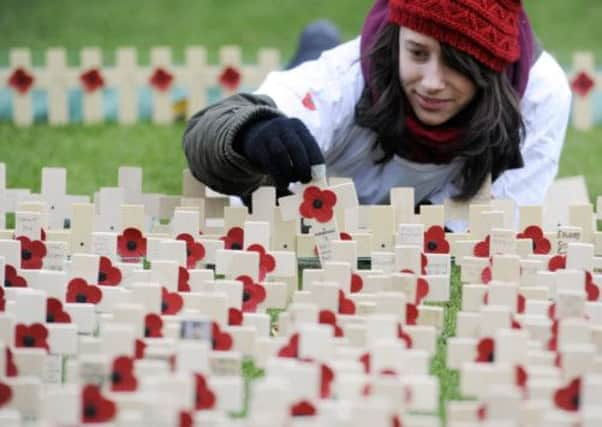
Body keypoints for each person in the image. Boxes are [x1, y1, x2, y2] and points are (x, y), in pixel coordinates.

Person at [182, 0, 571, 231]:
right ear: (397, 40)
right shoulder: (345, 74)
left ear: (490, 66)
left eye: (456, 64)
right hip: (329, 174)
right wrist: (253, 132)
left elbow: (493, 226)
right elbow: (211, 131)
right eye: (418, 53)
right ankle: (315, 45)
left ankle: (318, 40)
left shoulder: (539, 91)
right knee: (295, 94)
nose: (432, 83)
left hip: (407, 207)